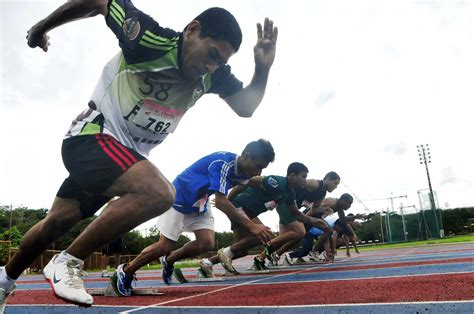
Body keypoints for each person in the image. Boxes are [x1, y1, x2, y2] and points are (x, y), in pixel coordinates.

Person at [0, 0, 278, 308]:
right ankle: (68, 263)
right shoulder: (147, 38)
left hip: (121, 161)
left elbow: (246, 107)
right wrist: (41, 29)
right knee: (159, 194)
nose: (210, 66)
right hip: (92, 137)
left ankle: (3, 280)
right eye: (211, 54)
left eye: (219, 61)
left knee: (54, 224)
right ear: (192, 30)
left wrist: (262, 69)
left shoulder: (213, 76)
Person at [112, 139, 275, 295]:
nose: (258, 171)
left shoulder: (246, 171)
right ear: (246, 155)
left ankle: (169, 260)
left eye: (262, 169)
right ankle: (126, 271)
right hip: (179, 198)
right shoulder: (223, 163)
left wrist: (273, 187)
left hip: (200, 202)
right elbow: (221, 202)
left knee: (206, 243)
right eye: (258, 166)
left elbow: (254, 180)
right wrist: (252, 226)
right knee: (164, 246)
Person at [200, 162, 330, 275]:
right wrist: (227, 201)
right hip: (240, 207)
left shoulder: (289, 194)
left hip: (249, 213)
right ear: (292, 175)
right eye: (303, 177)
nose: (305, 180)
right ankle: (226, 252)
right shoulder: (277, 183)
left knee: (241, 250)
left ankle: (207, 263)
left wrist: (313, 221)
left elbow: (296, 214)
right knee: (262, 235)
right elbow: (246, 182)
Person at [270, 172, 341, 263]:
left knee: (284, 238)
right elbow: (294, 183)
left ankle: (272, 256)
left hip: (293, 210)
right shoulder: (315, 184)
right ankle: (262, 257)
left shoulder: (322, 194)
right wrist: (274, 199)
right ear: (327, 179)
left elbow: (314, 209)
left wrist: (323, 209)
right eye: (335, 183)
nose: (336, 187)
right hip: (285, 205)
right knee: (300, 232)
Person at [284, 194, 353, 264]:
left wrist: (355, 217)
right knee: (328, 230)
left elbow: (343, 219)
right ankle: (314, 251)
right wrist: (305, 218)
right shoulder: (332, 202)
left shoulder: (339, 207)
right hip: (308, 216)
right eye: (349, 203)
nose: (349, 206)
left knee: (307, 249)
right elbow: (313, 209)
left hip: (314, 220)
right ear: (343, 200)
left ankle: (294, 255)